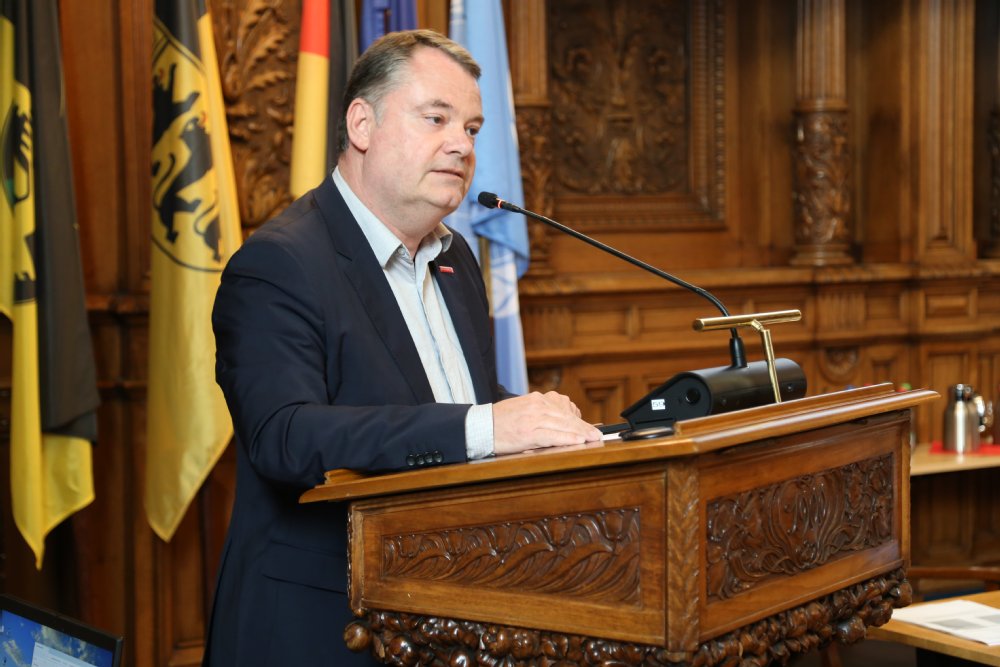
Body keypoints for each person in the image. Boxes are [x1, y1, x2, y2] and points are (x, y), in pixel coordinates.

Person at [202, 29, 602, 666]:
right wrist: (488, 425)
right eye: (436, 119)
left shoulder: (454, 258)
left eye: (472, 128)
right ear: (362, 124)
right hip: (326, 624)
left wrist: (538, 421)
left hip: (449, 612)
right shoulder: (279, 263)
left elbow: (447, 397)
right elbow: (285, 436)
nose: (462, 145)